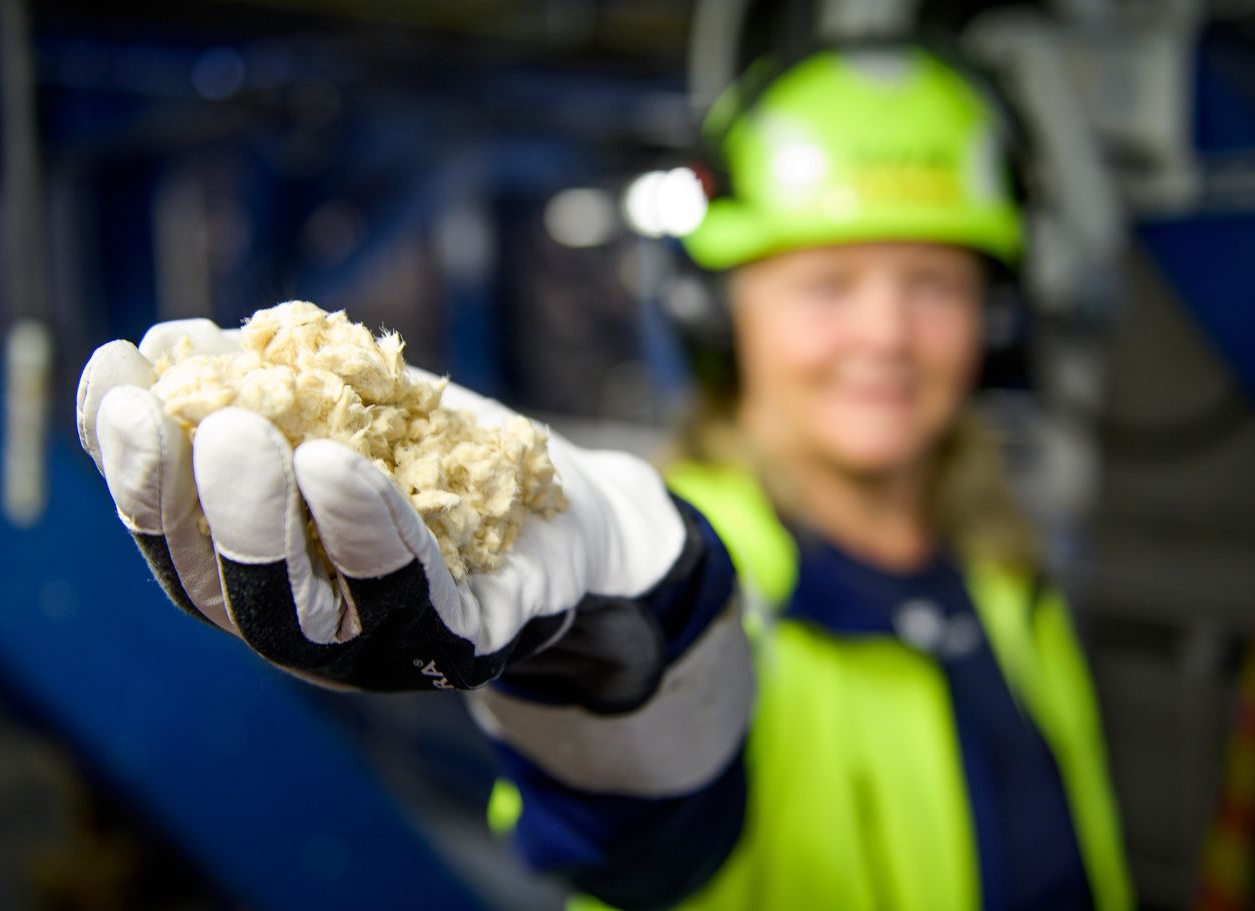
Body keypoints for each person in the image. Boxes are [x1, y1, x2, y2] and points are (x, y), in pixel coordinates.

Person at [76, 42, 1132, 910]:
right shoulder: (676, 565)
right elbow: (635, 842)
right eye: (828, 285)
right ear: (717, 312)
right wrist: (617, 665)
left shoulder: (1002, 573)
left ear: (995, 321)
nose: (886, 335)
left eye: (933, 284)